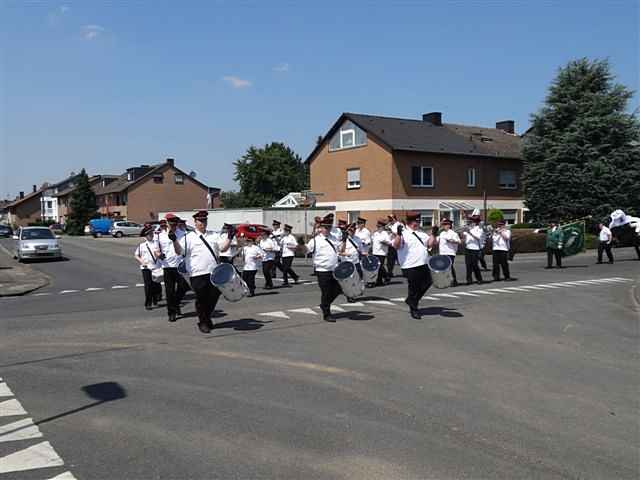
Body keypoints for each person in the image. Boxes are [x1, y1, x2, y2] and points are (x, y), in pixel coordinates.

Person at [173, 210, 231, 334]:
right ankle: (203, 322)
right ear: (195, 222)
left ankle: (206, 317)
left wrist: (230, 237)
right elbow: (179, 252)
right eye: (200, 221)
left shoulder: (213, 235)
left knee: (214, 296)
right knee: (201, 298)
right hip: (197, 273)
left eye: (204, 220)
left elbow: (222, 248)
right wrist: (174, 241)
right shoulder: (188, 237)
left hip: (213, 272)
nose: (203, 223)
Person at [391, 212, 435, 319]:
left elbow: (430, 244)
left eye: (419, 221)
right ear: (412, 222)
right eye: (417, 221)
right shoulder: (403, 233)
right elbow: (396, 246)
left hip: (423, 263)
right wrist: (398, 235)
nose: (419, 223)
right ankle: (414, 308)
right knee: (414, 287)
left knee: (428, 282)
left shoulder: (421, 233)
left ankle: (411, 300)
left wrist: (434, 234)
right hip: (409, 265)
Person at [305, 215, 343, 322]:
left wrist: (344, 240)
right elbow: (305, 251)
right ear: (320, 228)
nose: (328, 229)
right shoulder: (315, 241)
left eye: (329, 227)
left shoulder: (334, 238)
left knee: (338, 289)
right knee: (326, 292)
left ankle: (324, 304)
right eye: (325, 227)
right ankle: (327, 314)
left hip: (335, 269)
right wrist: (300, 245)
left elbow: (340, 250)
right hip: (322, 270)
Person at [155, 213, 188, 322]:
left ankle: (176, 303)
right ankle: (172, 312)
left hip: (180, 266)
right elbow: (156, 250)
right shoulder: (160, 235)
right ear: (167, 224)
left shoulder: (183, 234)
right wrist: (159, 254)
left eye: (175, 225)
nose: (173, 226)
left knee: (184, 286)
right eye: (171, 224)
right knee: (169, 291)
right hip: (167, 266)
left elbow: (183, 251)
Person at [134, 225, 162, 310]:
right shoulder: (142, 245)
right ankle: (148, 303)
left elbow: (159, 253)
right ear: (146, 236)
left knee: (156, 285)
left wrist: (159, 255)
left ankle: (155, 300)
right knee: (148, 286)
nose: (151, 235)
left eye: (151, 233)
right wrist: (142, 261)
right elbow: (136, 255)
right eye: (149, 234)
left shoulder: (157, 243)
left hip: (156, 267)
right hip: (146, 268)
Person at [461, 214, 485, 285]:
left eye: (472, 221)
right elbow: (463, 236)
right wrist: (462, 232)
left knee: (475, 265)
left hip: (475, 249)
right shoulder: (470, 228)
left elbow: (478, 238)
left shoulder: (479, 229)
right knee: (468, 265)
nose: (471, 223)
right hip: (468, 248)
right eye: (471, 221)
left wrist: (469, 232)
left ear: (476, 222)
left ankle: (479, 279)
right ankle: (469, 280)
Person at [436, 218, 460, 287]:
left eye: (446, 224)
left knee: (449, 266)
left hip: (450, 252)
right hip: (442, 252)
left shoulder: (453, 233)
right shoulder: (442, 233)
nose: (444, 226)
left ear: (449, 225)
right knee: (444, 267)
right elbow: (437, 241)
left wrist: (452, 241)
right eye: (443, 224)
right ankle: (446, 281)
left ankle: (454, 281)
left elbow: (459, 241)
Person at [371, 219, 392, 286]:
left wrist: (384, 242)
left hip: (382, 252)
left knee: (380, 266)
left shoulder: (385, 233)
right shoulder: (375, 233)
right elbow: (372, 242)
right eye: (377, 226)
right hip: (375, 252)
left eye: (379, 227)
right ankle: (379, 281)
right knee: (377, 267)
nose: (378, 228)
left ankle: (385, 277)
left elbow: (389, 243)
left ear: (383, 227)